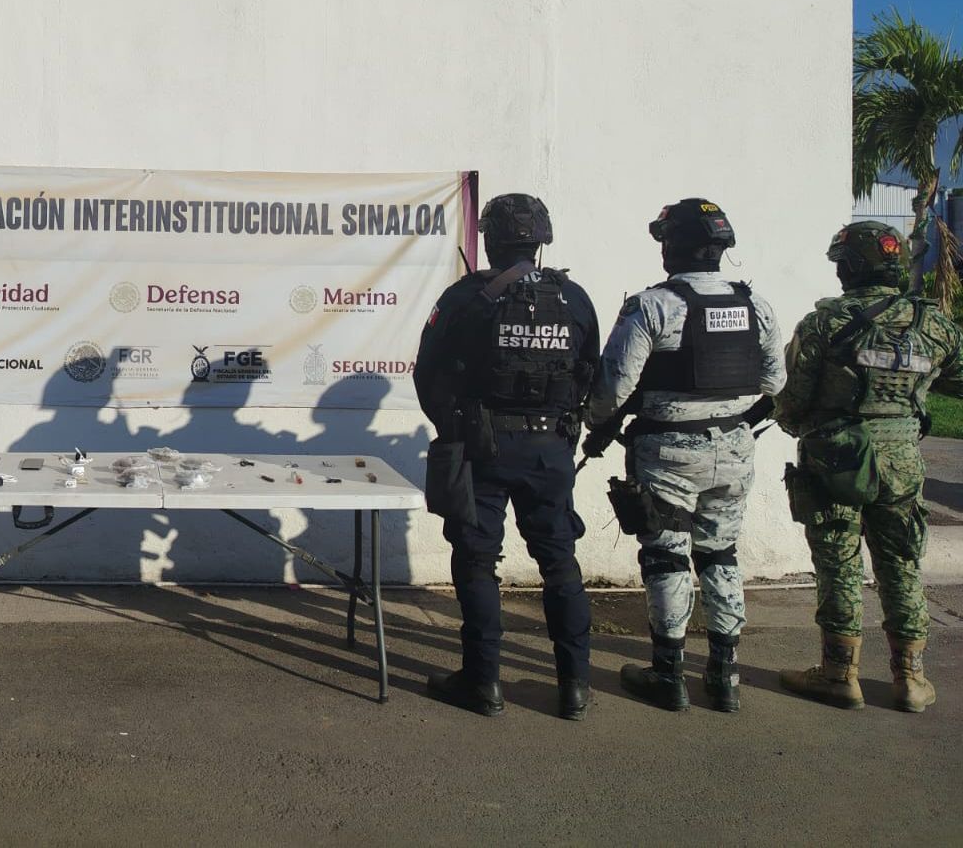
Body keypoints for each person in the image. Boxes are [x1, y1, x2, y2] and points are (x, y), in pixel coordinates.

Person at [584, 198, 785, 712]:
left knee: (667, 556)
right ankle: (724, 675)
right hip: (735, 448)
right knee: (721, 554)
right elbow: (774, 381)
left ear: (672, 247)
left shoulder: (653, 306)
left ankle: (668, 675)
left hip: (668, 451)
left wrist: (596, 424)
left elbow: (613, 388)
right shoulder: (756, 306)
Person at [413, 193, 599, 720]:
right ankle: (575, 687)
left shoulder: (466, 297)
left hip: (482, 447)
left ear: (490, 240)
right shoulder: (574, 298)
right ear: (541, 240)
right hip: (550, 450)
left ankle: (483, 683)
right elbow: (591, 370)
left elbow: (427, 372)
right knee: (559, 561)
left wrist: (454, 427)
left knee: (477, 561)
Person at [775, 221, 963, 712]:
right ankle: (912, 680)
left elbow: (791, 404)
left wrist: (801, 423)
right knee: (901, 562)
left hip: (836, 460)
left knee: (839, 563)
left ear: (849, 269)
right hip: (903, 461)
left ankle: (840, 674)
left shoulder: (823, 323)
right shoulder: (933, 323)